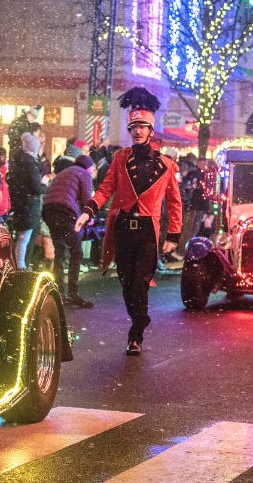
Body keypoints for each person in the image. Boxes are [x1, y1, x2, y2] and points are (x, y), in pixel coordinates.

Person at [75, 88, 181, 356]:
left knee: (141, 282)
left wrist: (173, 236)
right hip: (123, 228)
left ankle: (136, 333)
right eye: (133, 127)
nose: (136, 131)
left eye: (142, 127)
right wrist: (88, 210)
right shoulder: (120, 159)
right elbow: (105, 189)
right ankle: (139, 318)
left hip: (147, 230)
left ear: (150, 131)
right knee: (125, 281)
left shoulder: (167, 166)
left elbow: (175, 203)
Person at [44, 154, 95, 308]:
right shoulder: (84, 173)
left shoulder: (65, 172)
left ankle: (59, 293)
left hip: (48, 211)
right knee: (76, 252)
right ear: (88, 167)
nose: (92, 172)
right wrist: (89, 216)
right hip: (64, 212)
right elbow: (86, 200)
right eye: (92, 169)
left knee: (60, 251)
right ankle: (73, 293)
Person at [8, 131, 48, 269]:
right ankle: (20, 265)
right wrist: (45, 186)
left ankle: (18, 263)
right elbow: (36, 186)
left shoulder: (19, 162)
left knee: (21, 236)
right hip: (29, 205)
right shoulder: (31, 164)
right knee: (25, 237)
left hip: (21, 204)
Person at [179, 158, 211, 243]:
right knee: (189, 229)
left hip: (198, 206)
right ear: (200, 163)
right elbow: (186, 189)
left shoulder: (203, 175)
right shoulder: (194, 174)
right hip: (194, 206)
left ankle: (185, 249)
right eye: (205, 163)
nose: (206, 165)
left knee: (192, 230)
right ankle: (183, 250)